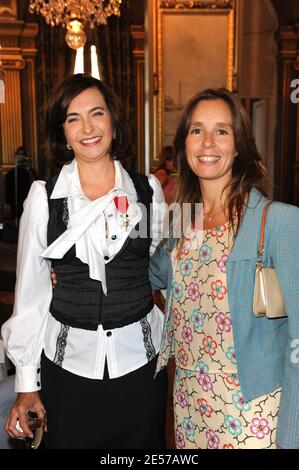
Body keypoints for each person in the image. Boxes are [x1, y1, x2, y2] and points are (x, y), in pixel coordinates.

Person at [1, 73, 168, 449]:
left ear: (113, 122)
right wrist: (27, 384)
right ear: (63, 132)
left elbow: (160, 266)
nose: (88, 127)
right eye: (73, 118)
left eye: (97, 114)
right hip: (68, 373)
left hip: (142, 371)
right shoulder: (43, 198)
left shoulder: (148, 191)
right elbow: (29, 295)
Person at [149, 88, 299, 449]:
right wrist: (74, 267)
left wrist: (291, 437)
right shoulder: (181, 221)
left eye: (222, 131)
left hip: (253, 416)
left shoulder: (277, 221)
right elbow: (149, 275)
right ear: (184, 143)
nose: (208, 144)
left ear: (240, 144)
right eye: (197, 130)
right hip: (189, 407)